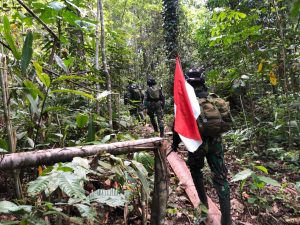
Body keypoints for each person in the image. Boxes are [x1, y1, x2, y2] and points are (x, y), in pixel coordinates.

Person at [172, 68, 231, 225]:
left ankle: (203, 209)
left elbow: (178, 126)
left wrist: (175, 144)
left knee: (196, 172)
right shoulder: (215, 101)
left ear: (188, 82)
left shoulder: (187, 103)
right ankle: (227, 220)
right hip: (215, 143)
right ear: (203, 82)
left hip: (196, 144)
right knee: (221, 178)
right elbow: (228, 123)